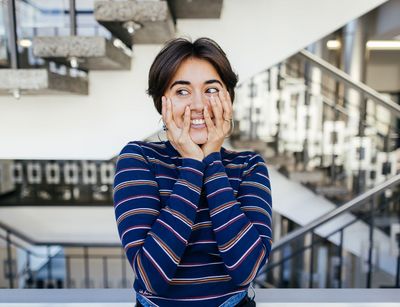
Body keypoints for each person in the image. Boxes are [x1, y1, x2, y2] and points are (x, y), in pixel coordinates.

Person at [113, 37, 272, 307]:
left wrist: (211, 158)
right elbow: (152, 276)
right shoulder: (139, 158)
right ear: (162, 102)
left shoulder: (248, 166)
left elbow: (247, 269)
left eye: (211, 90)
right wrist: (192, 164)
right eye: (182, 91)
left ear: (228, 98)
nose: (198, 105)